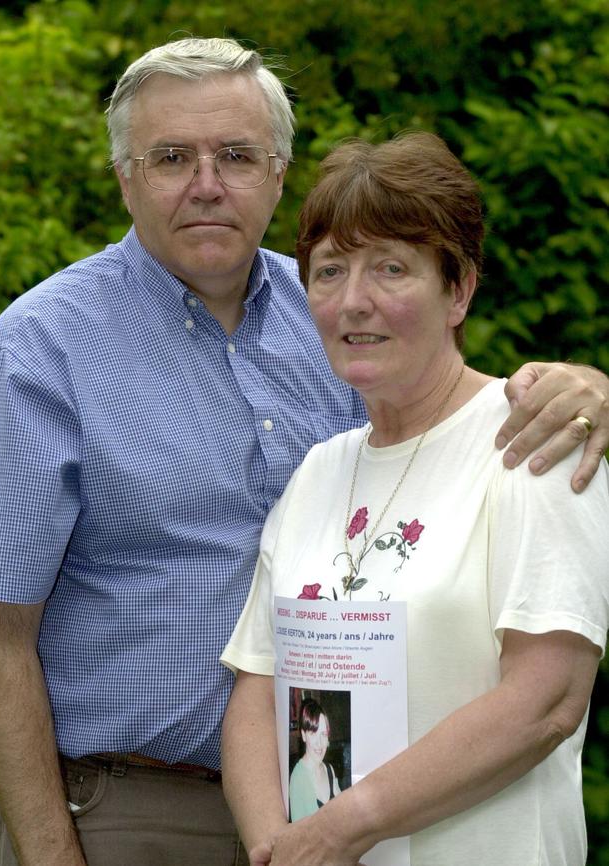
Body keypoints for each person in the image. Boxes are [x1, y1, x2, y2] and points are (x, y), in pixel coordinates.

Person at [0, 36, 607, 866]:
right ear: (124, 175)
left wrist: (589, 390)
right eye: (170, 157)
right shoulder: (37, 354)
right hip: (129, 814)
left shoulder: (335, 314)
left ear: (277, 169)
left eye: (235, 154)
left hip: (352, 810)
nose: (206, 183)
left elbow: (450, 439)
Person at [220, 132, 609, 866]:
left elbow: (548, 701)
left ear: (458, 289)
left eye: (391, 268)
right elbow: (257, 687)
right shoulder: (318, 472)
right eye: (329, 271)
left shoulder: (535, 442)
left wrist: (341, 830)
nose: (353, 301)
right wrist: (278, 847)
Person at [289, 698, 341, 821]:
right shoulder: (298, 778)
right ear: (303, 735)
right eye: (313, 733)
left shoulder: (329, 770)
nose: (319, 743)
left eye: (323, 734)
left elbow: (344, 810)